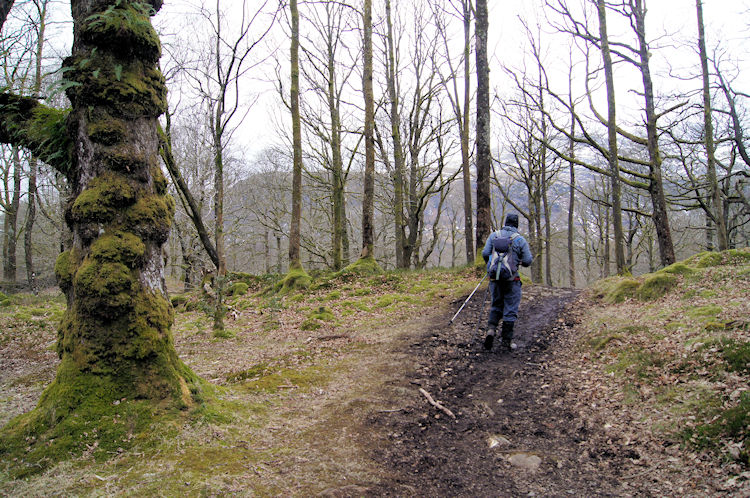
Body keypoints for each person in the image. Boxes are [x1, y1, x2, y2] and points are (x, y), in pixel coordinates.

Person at [481, 213, 533, 351]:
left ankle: (491, 331)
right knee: (510, 307)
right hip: (512, 280)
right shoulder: (520, 240)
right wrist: (518, 262)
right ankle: (506, 341)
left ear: (505, 222)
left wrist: (491, 265)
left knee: (496, 305)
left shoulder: (494, 236)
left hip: (495, 279)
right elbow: (528, 260)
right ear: (516, 224)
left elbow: (485, 253)